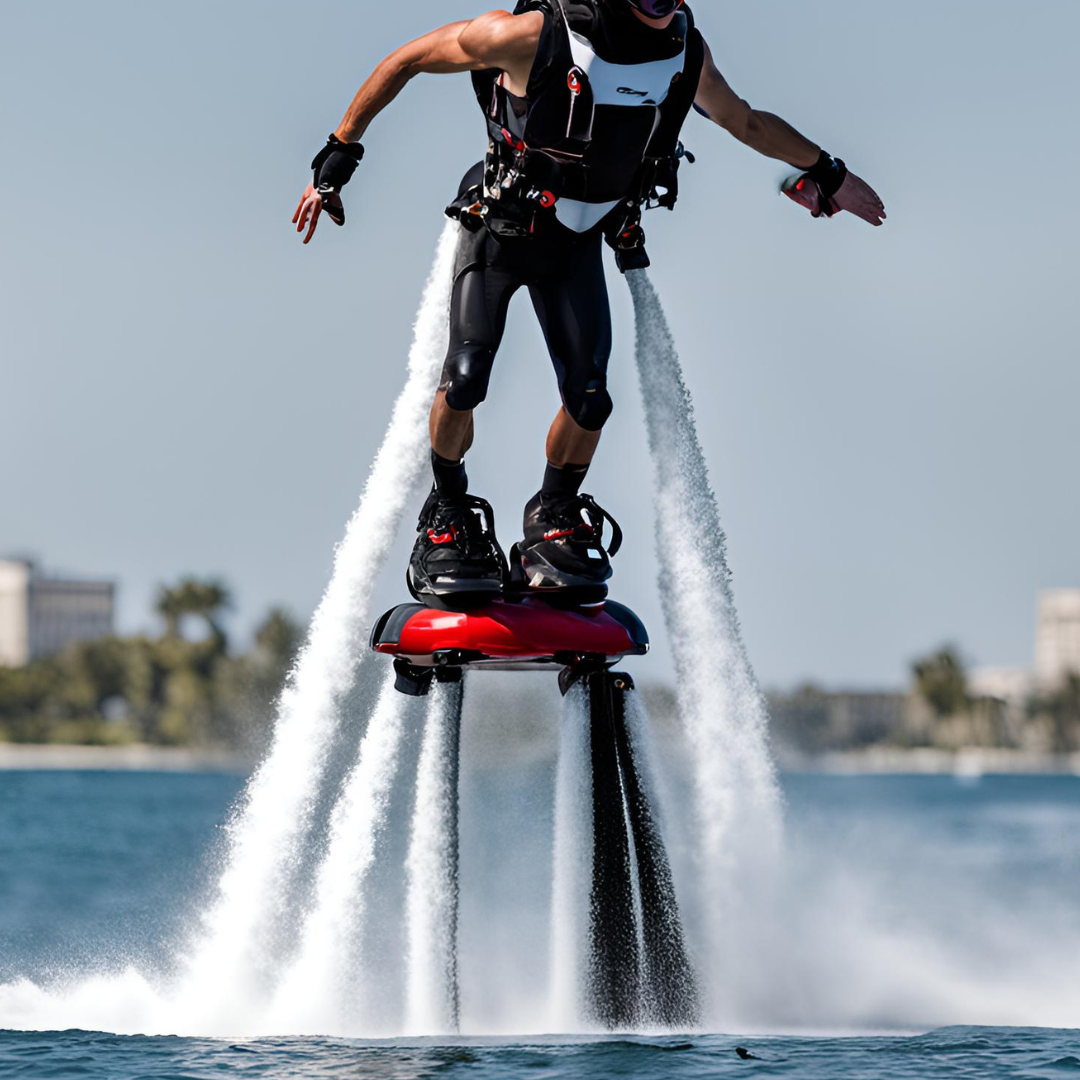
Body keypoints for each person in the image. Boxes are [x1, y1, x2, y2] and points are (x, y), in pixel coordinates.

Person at [293, 0, 885, 605]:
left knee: (591, 399)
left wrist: (828, 173)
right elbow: (409, 58)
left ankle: (553, 511)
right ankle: (446, 510)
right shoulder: (533, 35)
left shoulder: (684, 49)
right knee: (467, 378)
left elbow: (747, 122)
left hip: (573, 244)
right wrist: (338, 156)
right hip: (499, 226)